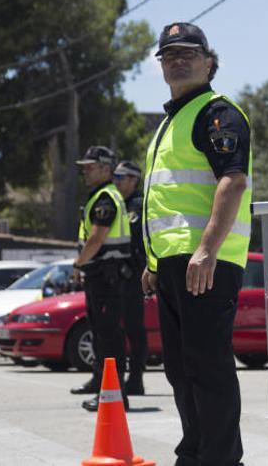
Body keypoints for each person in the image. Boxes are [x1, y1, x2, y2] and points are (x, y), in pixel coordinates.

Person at [141, 22, 252, 466]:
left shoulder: (216, 112)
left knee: (208, 368)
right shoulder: (171, 122)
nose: (178, 60)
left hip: (206, 261)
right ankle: (196, 454)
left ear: (210, 62)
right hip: (173, 264)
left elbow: (233, 180)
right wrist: (153, 262)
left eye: (188, 53)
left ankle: (222, 459)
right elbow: (168, 201)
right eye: (169, 56)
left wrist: (206, 249)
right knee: (181, 370)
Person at [73, 146, 132, 411]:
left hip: (106, 276)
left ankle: (114, 393)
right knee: (101, 333)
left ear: (106, 169)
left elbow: (96, 239)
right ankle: (102, 385)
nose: (85, 170)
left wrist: (78, 263)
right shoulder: (101, 195)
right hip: (100, 275)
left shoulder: (106, 198)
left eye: (90, 166)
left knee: (108, 336)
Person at [113, 160, 148, 395]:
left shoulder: (139, 205)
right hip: (114, 277)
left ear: (133, 180)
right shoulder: (116, 203)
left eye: (121, 177)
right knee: (114, 330)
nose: (116, 181)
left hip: (133, 276)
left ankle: (135, 379)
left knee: (134, 329)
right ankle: (112, 377)